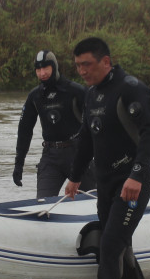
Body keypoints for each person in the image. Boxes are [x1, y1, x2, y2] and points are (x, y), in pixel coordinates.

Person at [64, 37, 150, 279]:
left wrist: (138, 175)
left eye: (87, 64)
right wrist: (75, 177)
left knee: (109, 245)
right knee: (121, 244)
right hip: (105, 184)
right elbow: (86, 139)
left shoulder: (130, 88)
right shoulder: (92, 93)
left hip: (131, 183)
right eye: (78, 65)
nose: (82, 71)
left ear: (105, 61)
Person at [13, 50, 96, 197]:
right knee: (43, 204)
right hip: (50, 157)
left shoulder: (75, 91)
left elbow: (99, 121)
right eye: (38, 69)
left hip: (78, 154)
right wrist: (19, 164)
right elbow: (24, 131)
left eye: (46, 68)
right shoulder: (35, 96)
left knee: (92, 200)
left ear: (54, 67)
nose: (42, 73)